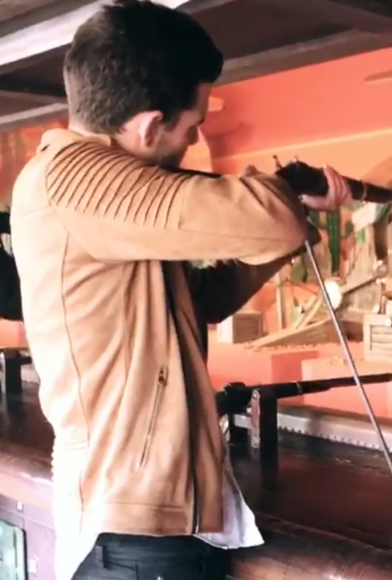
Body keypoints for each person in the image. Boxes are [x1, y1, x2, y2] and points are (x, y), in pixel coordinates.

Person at [9, 1, 352, 580]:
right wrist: (286, 191)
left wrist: (292, 215)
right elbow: (272, 221)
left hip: (140, 531)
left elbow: (204, 298)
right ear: (147, 125)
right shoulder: (72, 177)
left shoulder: (100, 200)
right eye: (192, 126)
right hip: (135, 539)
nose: (196, 139)